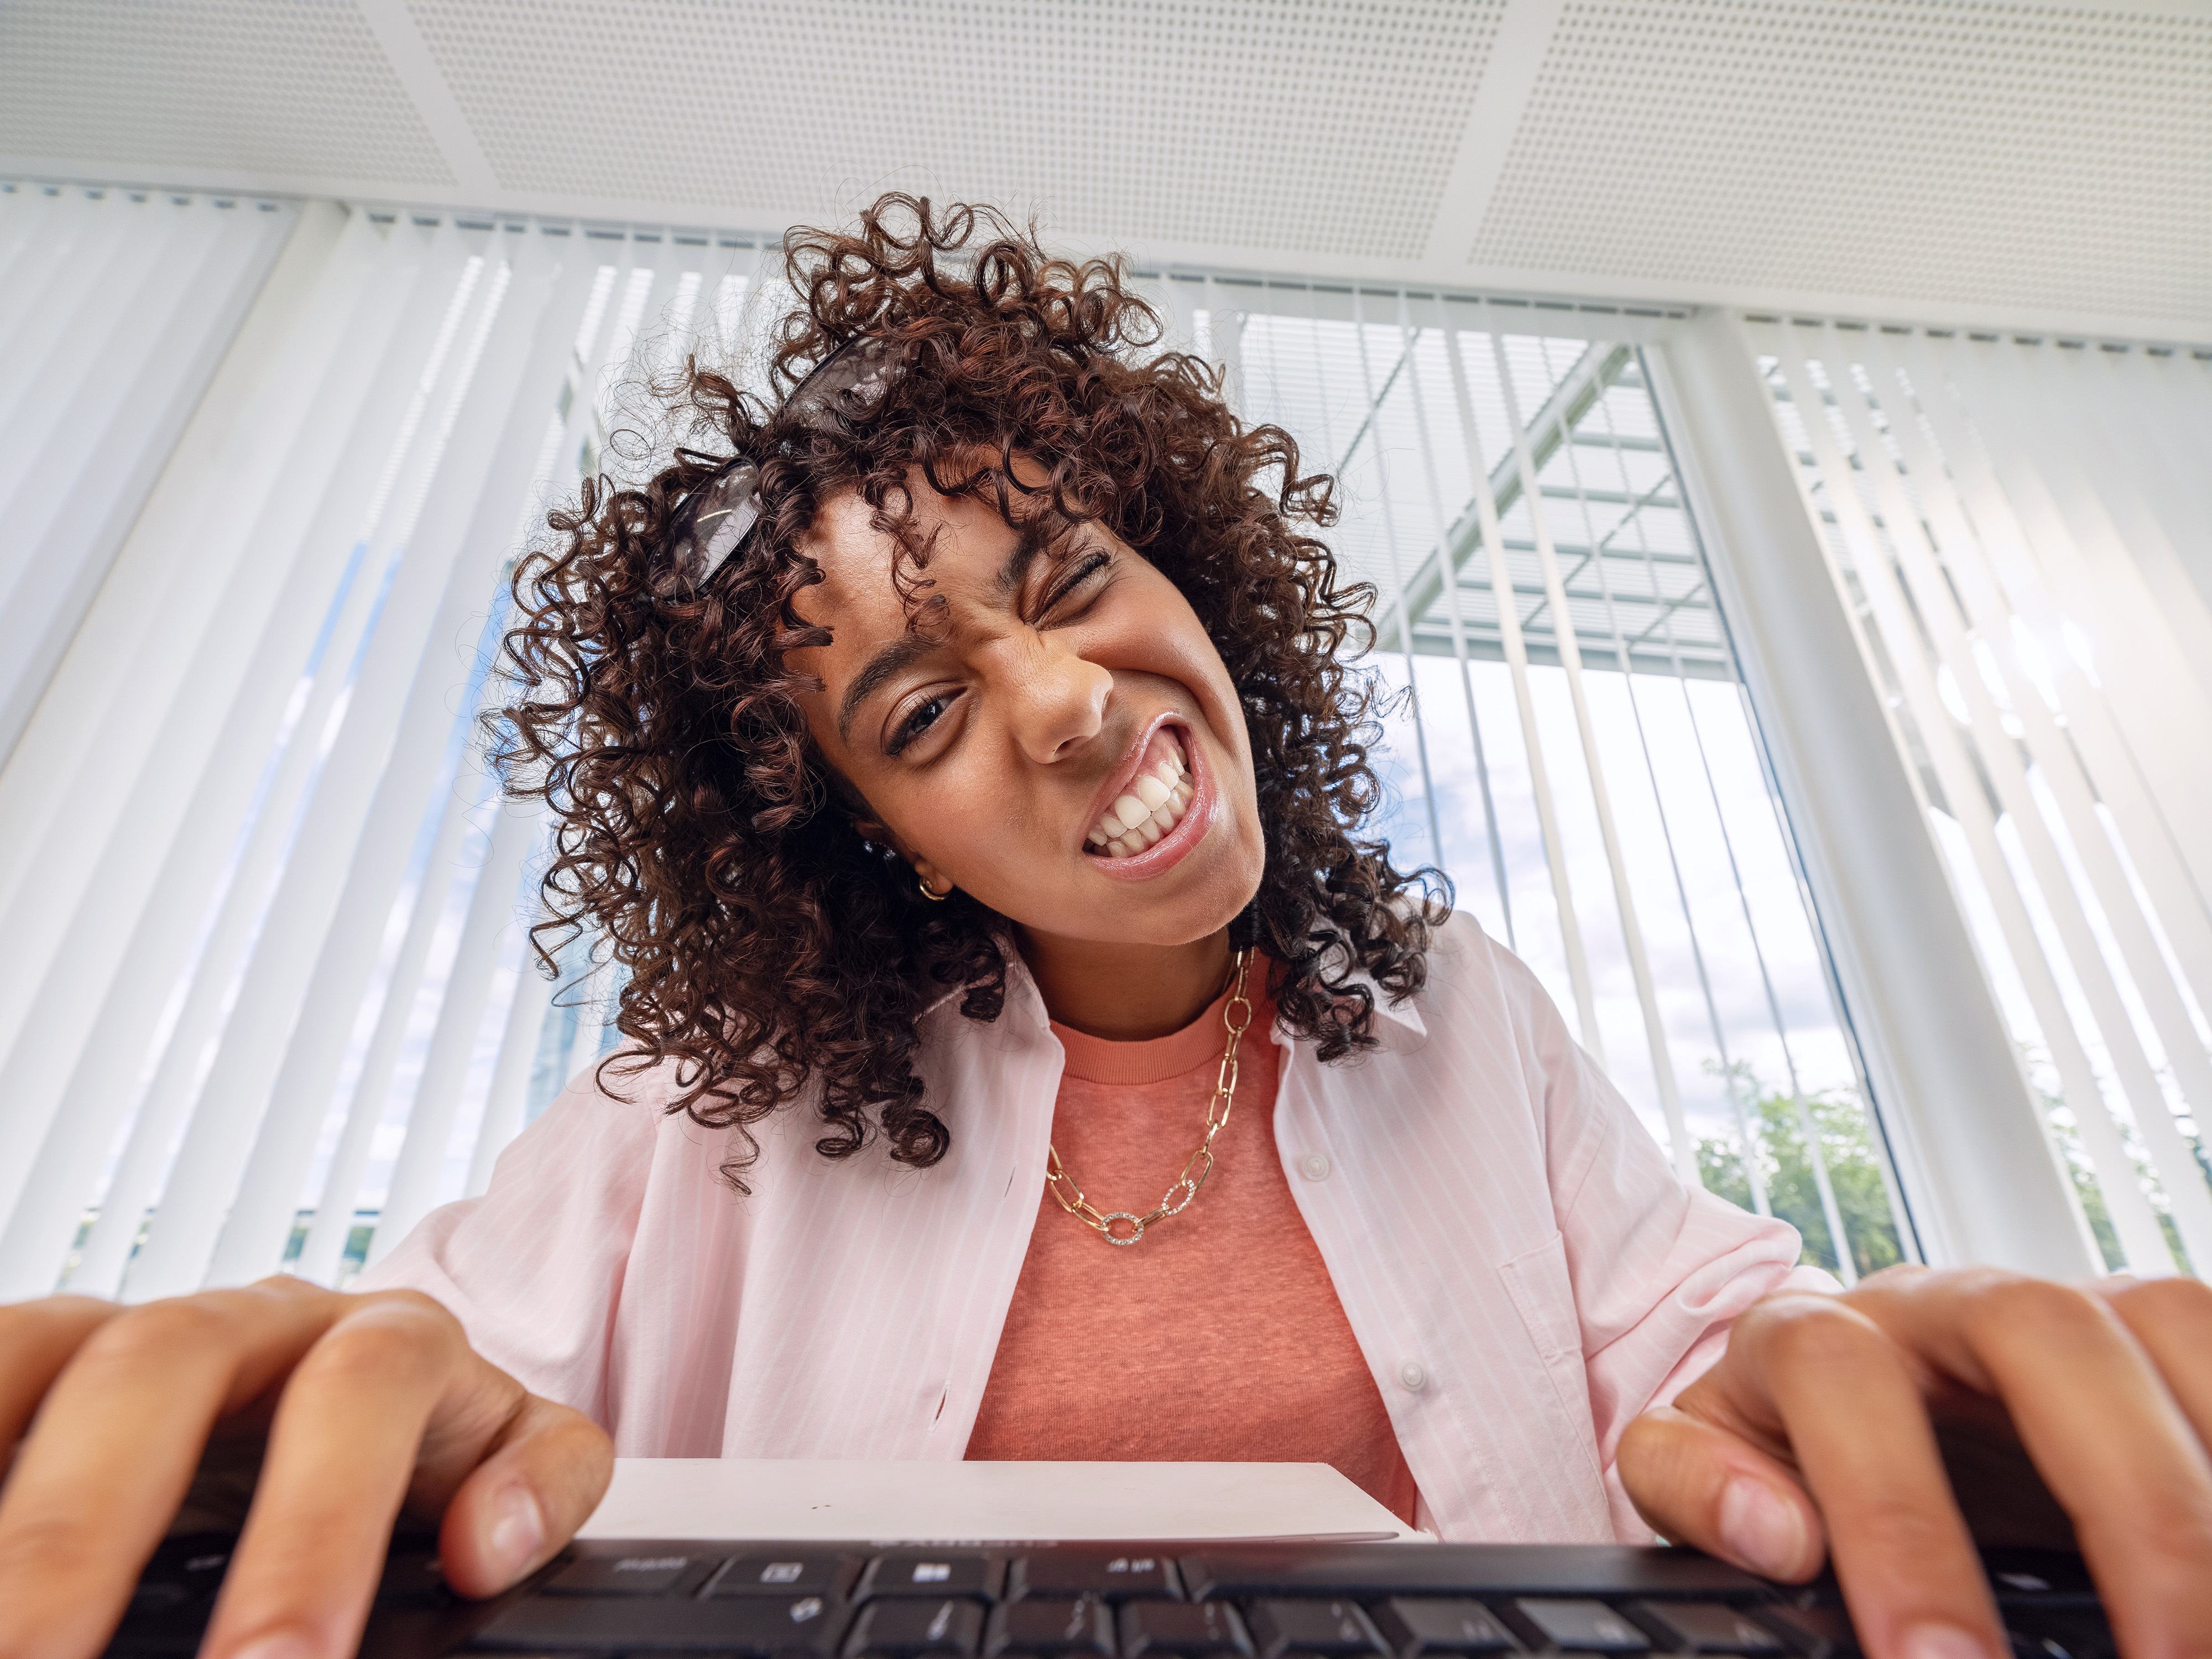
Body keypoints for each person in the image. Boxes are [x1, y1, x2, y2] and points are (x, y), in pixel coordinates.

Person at [2, 197, 2207, 1659]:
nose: (1066, 708)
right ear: (879, 841)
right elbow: (449, 1374)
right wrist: (304, 1430)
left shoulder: (1462, 1021)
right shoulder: (700, 1114)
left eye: (1068, 588)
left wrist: (1871, 1402)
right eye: (926, 709)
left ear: (1192, 590)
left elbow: (1703, 1346)